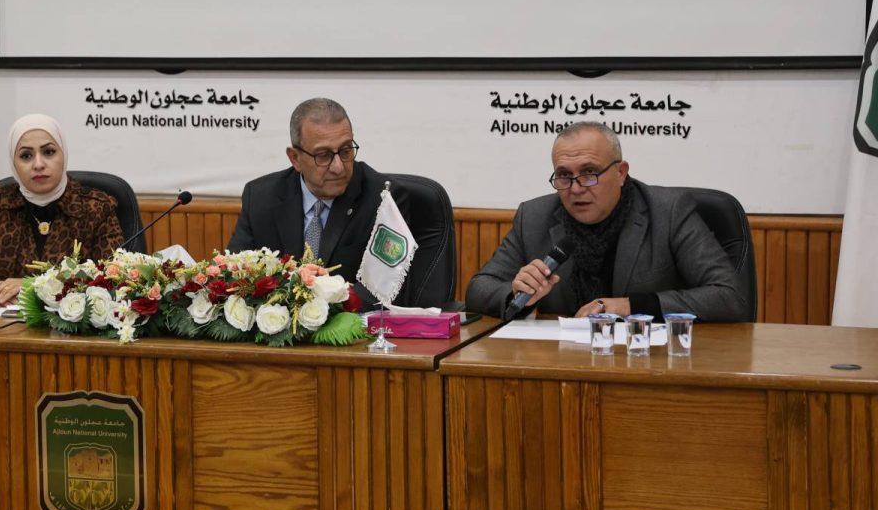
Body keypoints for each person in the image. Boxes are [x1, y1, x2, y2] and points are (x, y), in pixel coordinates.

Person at [464, 121, 752, 321]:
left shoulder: (668, 212)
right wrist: (516, 293)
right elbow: (479, 288)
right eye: (564, 175)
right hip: (561, 363)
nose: (576, 188)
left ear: (621, 172)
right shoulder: (534, 216)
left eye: (589, 173)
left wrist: (631, 306)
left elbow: (730, 297)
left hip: (648, 362)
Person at [228, 97, 450, 307]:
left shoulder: (384, 199)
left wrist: (324, 292)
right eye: (323, 155)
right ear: (295, 158)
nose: (338, 167)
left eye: (345, 151)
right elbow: (233, 277)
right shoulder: (262, 197)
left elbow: (384, 292)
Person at [0, 114, 125, 306]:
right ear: (13, 163)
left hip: (73, 323)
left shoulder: (96, 208)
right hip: (4, 322)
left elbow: (115, 279)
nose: (38, 164)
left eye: (49, 152)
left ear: (64, 154)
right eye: (26, 156)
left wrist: (36, 286)